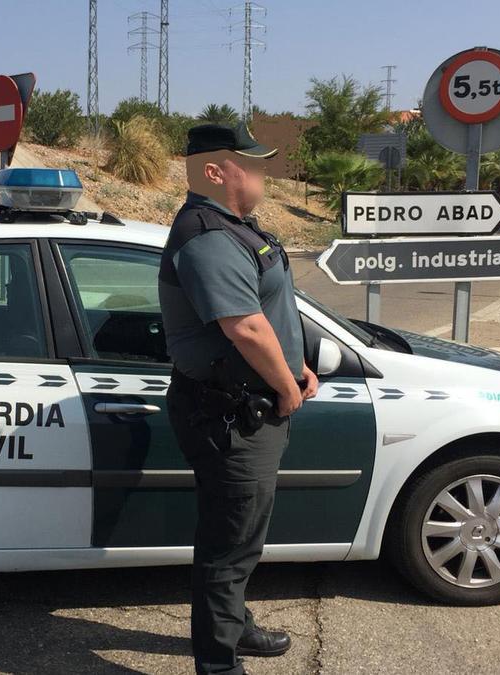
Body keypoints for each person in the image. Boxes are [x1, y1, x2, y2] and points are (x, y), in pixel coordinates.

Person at [158, 123, 319, 675]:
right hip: (231, 414)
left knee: (241, 536)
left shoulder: (235, 229)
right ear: (213, 171)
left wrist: (293, 364)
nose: (261, 174)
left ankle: (234, 625)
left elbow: (265, 310)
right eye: (249, 164)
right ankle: (218, 663)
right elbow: (246, 328)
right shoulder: (207, 236)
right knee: (229, 546)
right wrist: (283, 387)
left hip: (242, 406)